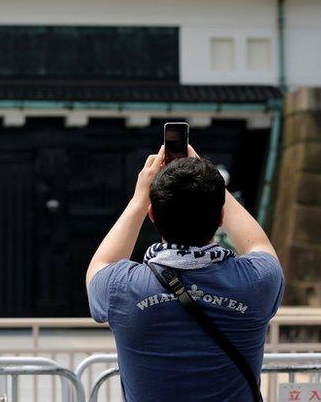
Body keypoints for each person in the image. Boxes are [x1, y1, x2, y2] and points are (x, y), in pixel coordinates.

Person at [86, 145, 283, 402]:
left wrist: (139, 199)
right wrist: (213, 186)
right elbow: (258, 244)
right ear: (221, 215)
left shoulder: (121, 288)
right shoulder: (256, 283)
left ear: (152, 214)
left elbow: (102, 262)